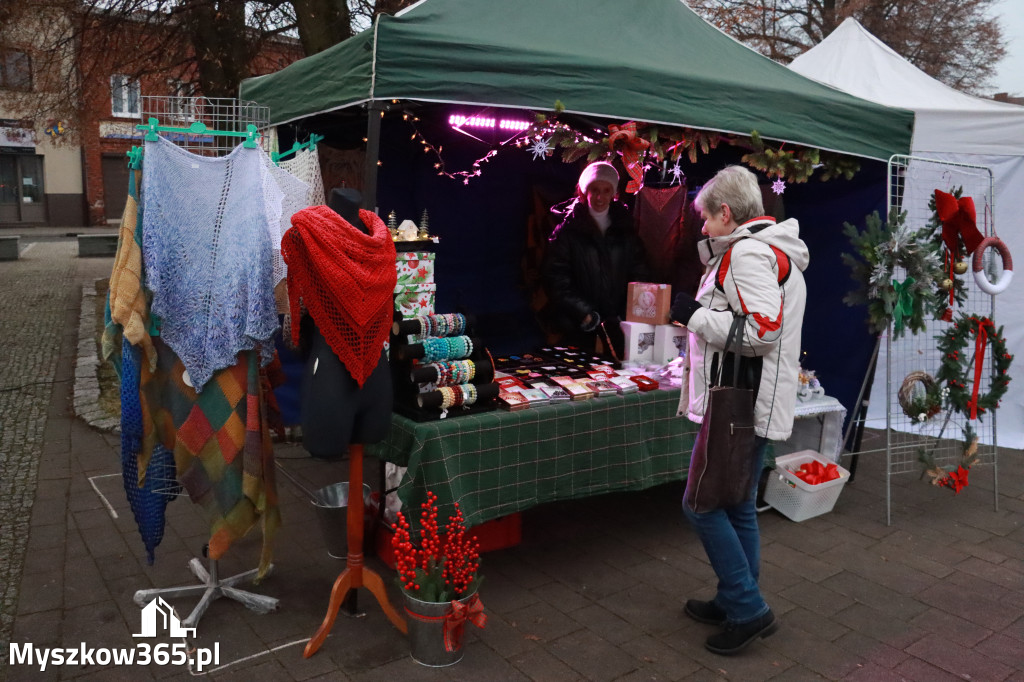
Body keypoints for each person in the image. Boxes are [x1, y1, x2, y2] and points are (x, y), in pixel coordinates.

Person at [670, 165, 808, 655]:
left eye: (705, 218)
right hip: (751, 402)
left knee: (701, 505)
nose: (702, 228)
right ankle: (736, 598)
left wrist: (694, 316)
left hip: (738, 404)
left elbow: (761, 333)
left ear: (725, 213)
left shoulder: (747, 254)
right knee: (737, 506)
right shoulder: (761, 250)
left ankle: (748, 608)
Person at [543, 161, 649, 356]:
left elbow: (639, 273)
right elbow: (556, 279)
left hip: (619, 328)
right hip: (577, 328)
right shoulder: (567, 231)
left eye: (606, 190)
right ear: (585, 191)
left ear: (614, 193)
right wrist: (584, 313)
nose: (600, 197)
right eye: (595, 190)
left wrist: (625, 314)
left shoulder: (626, 229)